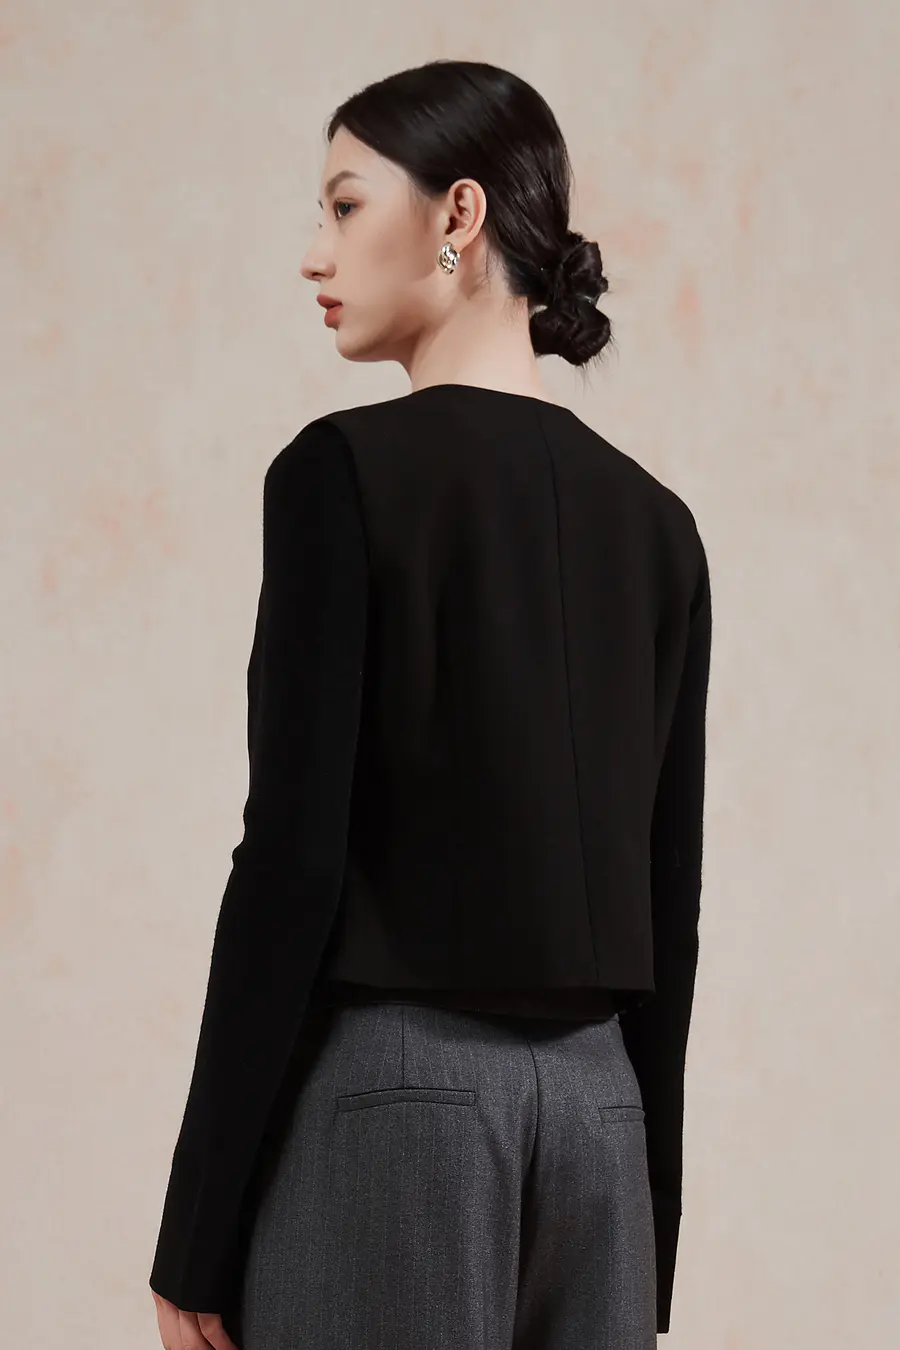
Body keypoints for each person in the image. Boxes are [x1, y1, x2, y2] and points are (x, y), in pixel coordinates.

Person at [149, 59, 713, 1350]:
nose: (315, 252)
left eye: (345, 206)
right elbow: (668, 901)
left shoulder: (340, 475)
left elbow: (292, 861)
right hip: (604, 1121)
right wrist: (648, 1222)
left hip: (396, 1114)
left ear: (459, 214)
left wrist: (197, 1233)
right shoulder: (659, 527)